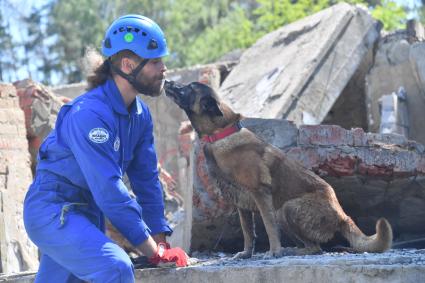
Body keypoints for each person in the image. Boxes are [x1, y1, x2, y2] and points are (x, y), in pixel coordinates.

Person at [23, 14, 188, 283]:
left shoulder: (140, 115)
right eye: (156, 60)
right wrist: (151, 251)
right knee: (116, 267)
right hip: (53, 211)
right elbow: (109, 190)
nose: (164, 68)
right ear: (128, 64)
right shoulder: (90, 115)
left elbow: (146, 180)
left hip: (86, 215)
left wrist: (160, 242)